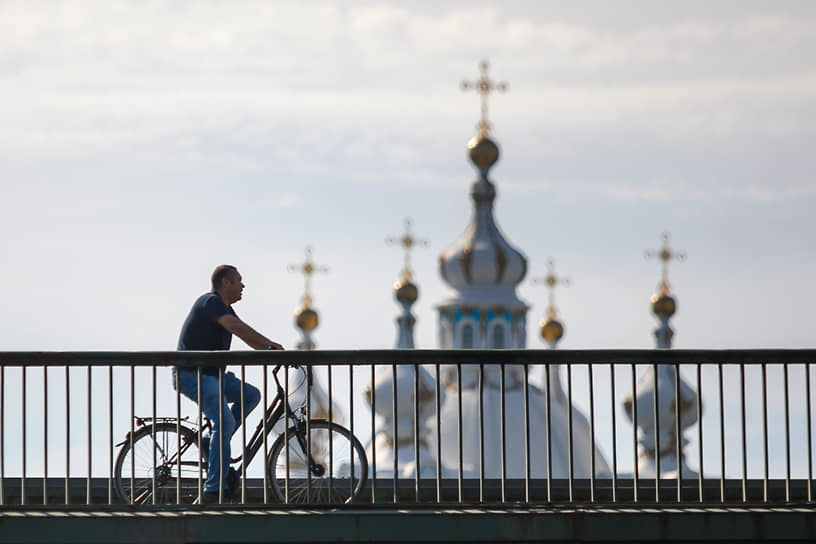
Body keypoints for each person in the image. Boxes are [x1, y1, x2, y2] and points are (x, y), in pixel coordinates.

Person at [174, 264, 284, 503]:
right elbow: (237, 329)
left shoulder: (225, 309)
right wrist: (269, 344)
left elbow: (248, 338)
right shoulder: (211, 302)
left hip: (212, 374)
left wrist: (271, 350)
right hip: (193, 373)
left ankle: (211, 443)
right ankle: (213, 489)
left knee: (251, 395)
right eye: (239, 281)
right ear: (226, 283)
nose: (243, 285)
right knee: (224, 421)